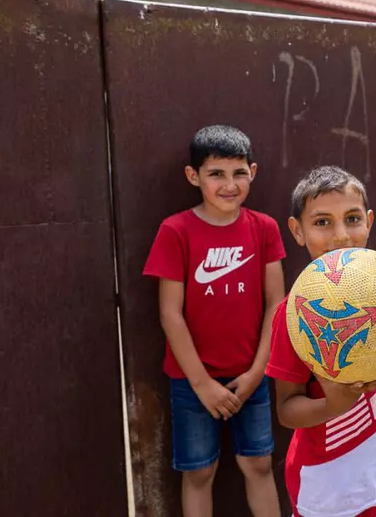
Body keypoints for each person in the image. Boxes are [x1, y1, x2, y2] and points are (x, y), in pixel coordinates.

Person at [142, 125, 285, 517]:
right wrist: (203, 384)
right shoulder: (176, 231)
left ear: (252, 172)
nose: (229, 184)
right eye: (216, 174)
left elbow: (277, 302)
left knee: (257, 463)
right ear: (194, 177)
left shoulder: (264, 228)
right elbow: (170, 314)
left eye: (239, 173)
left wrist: (258, 372)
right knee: (200, 472)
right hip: (192, 383)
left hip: (250, 377)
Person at [265, 166, 376, 517]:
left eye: (353, 218)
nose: (341, 235)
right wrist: (334, 405)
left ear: (369, 222)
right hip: (325, 491)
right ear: (297, 231)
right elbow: (286, 410)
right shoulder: (294, 315)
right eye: (322, 222)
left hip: (375, 482)